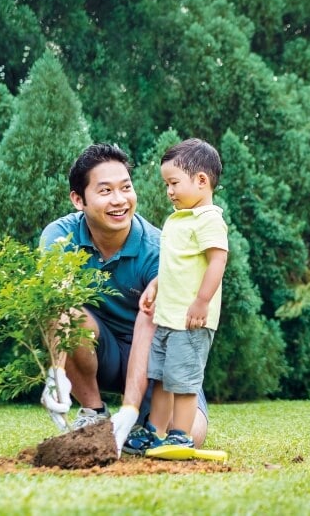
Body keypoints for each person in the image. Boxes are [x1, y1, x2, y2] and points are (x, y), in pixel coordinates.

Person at [38, 142, 209, 454]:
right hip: (101, 352)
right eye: (105, 191)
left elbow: (152, 321)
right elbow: (56, 302)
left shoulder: (159, 249)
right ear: (79, 199)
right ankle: (94, 415)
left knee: (190, 436)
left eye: (125, 188)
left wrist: (131, 409)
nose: (119, 200)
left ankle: (137, 421)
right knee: (63, 311)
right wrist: (56, 374)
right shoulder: (59, 236)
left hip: (155, 358)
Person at [130, 138, 228, 453]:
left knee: (183, 380)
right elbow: (176, 265)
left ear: (201, 181)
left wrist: (202, 301)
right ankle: (155, 431)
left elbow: (218, 260)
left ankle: (180, 434)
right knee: (160, 376)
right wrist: (156, 286)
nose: (169, 191)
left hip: (190, 320)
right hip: (167, 317)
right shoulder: (177, 219)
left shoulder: (208, 218)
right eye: (166, 185)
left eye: (173, 183)